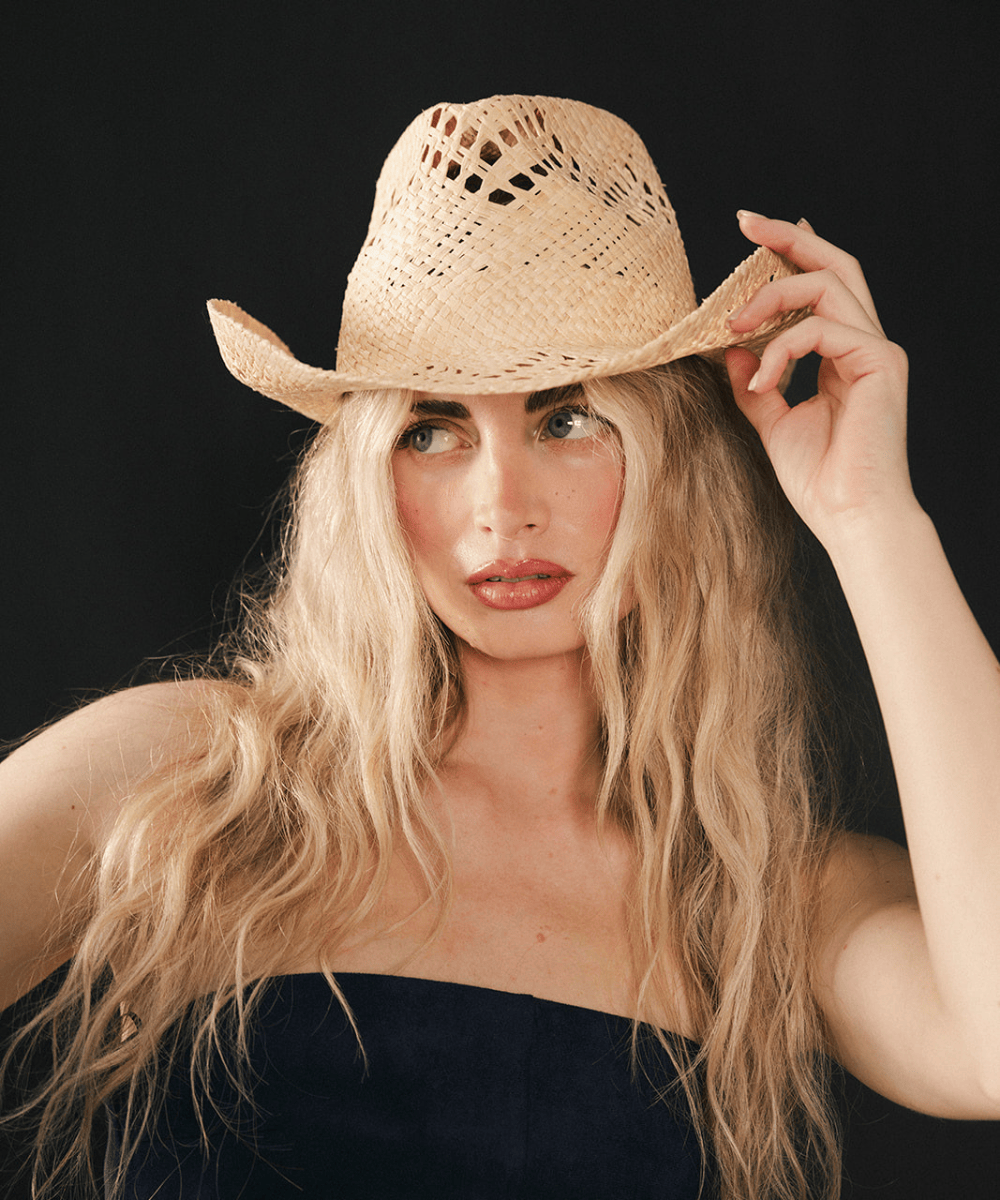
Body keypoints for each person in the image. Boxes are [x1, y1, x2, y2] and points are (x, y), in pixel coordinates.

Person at [1, 93, 998, 1200]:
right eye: (433, 430)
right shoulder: (194, 785)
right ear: (368, 478)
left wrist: (872, 523)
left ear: (677, 463)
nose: (500, 507)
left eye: (568, 417)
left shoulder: (763, 901)